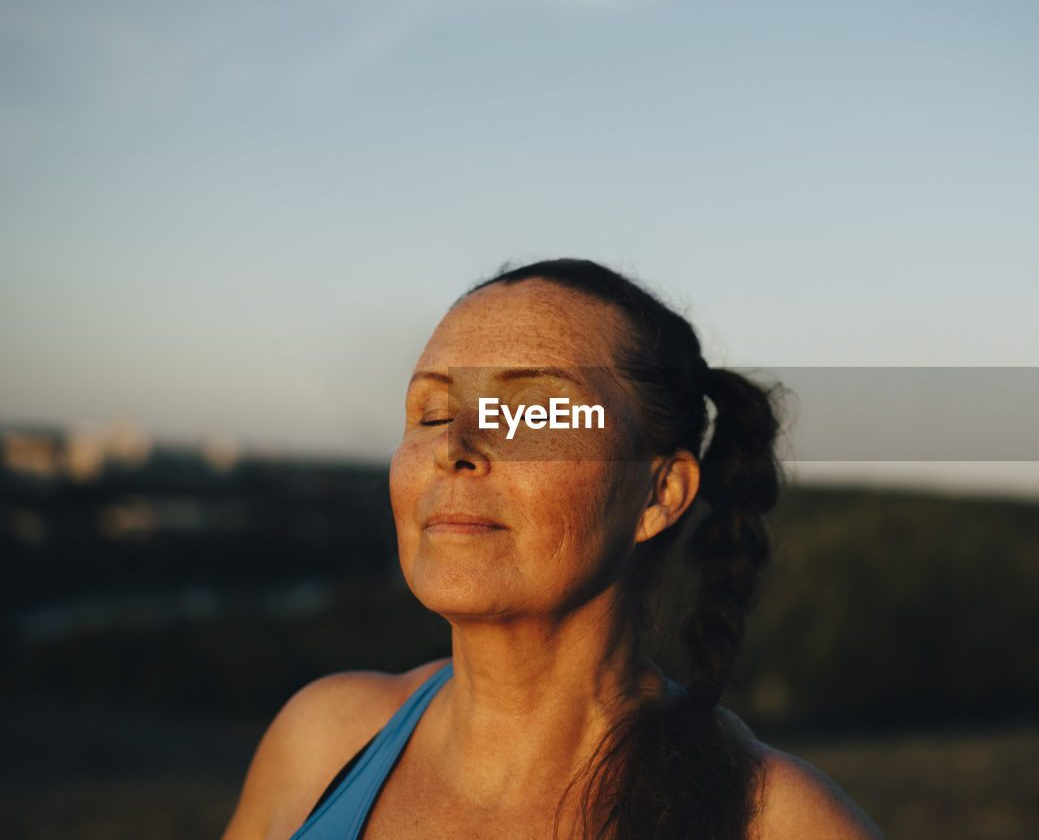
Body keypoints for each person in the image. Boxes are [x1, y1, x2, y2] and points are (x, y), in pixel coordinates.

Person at [222, 260, 882, 839]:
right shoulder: (323, 736)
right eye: (430, 413)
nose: (453, 446)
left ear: (660, 491)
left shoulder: (776, 822)